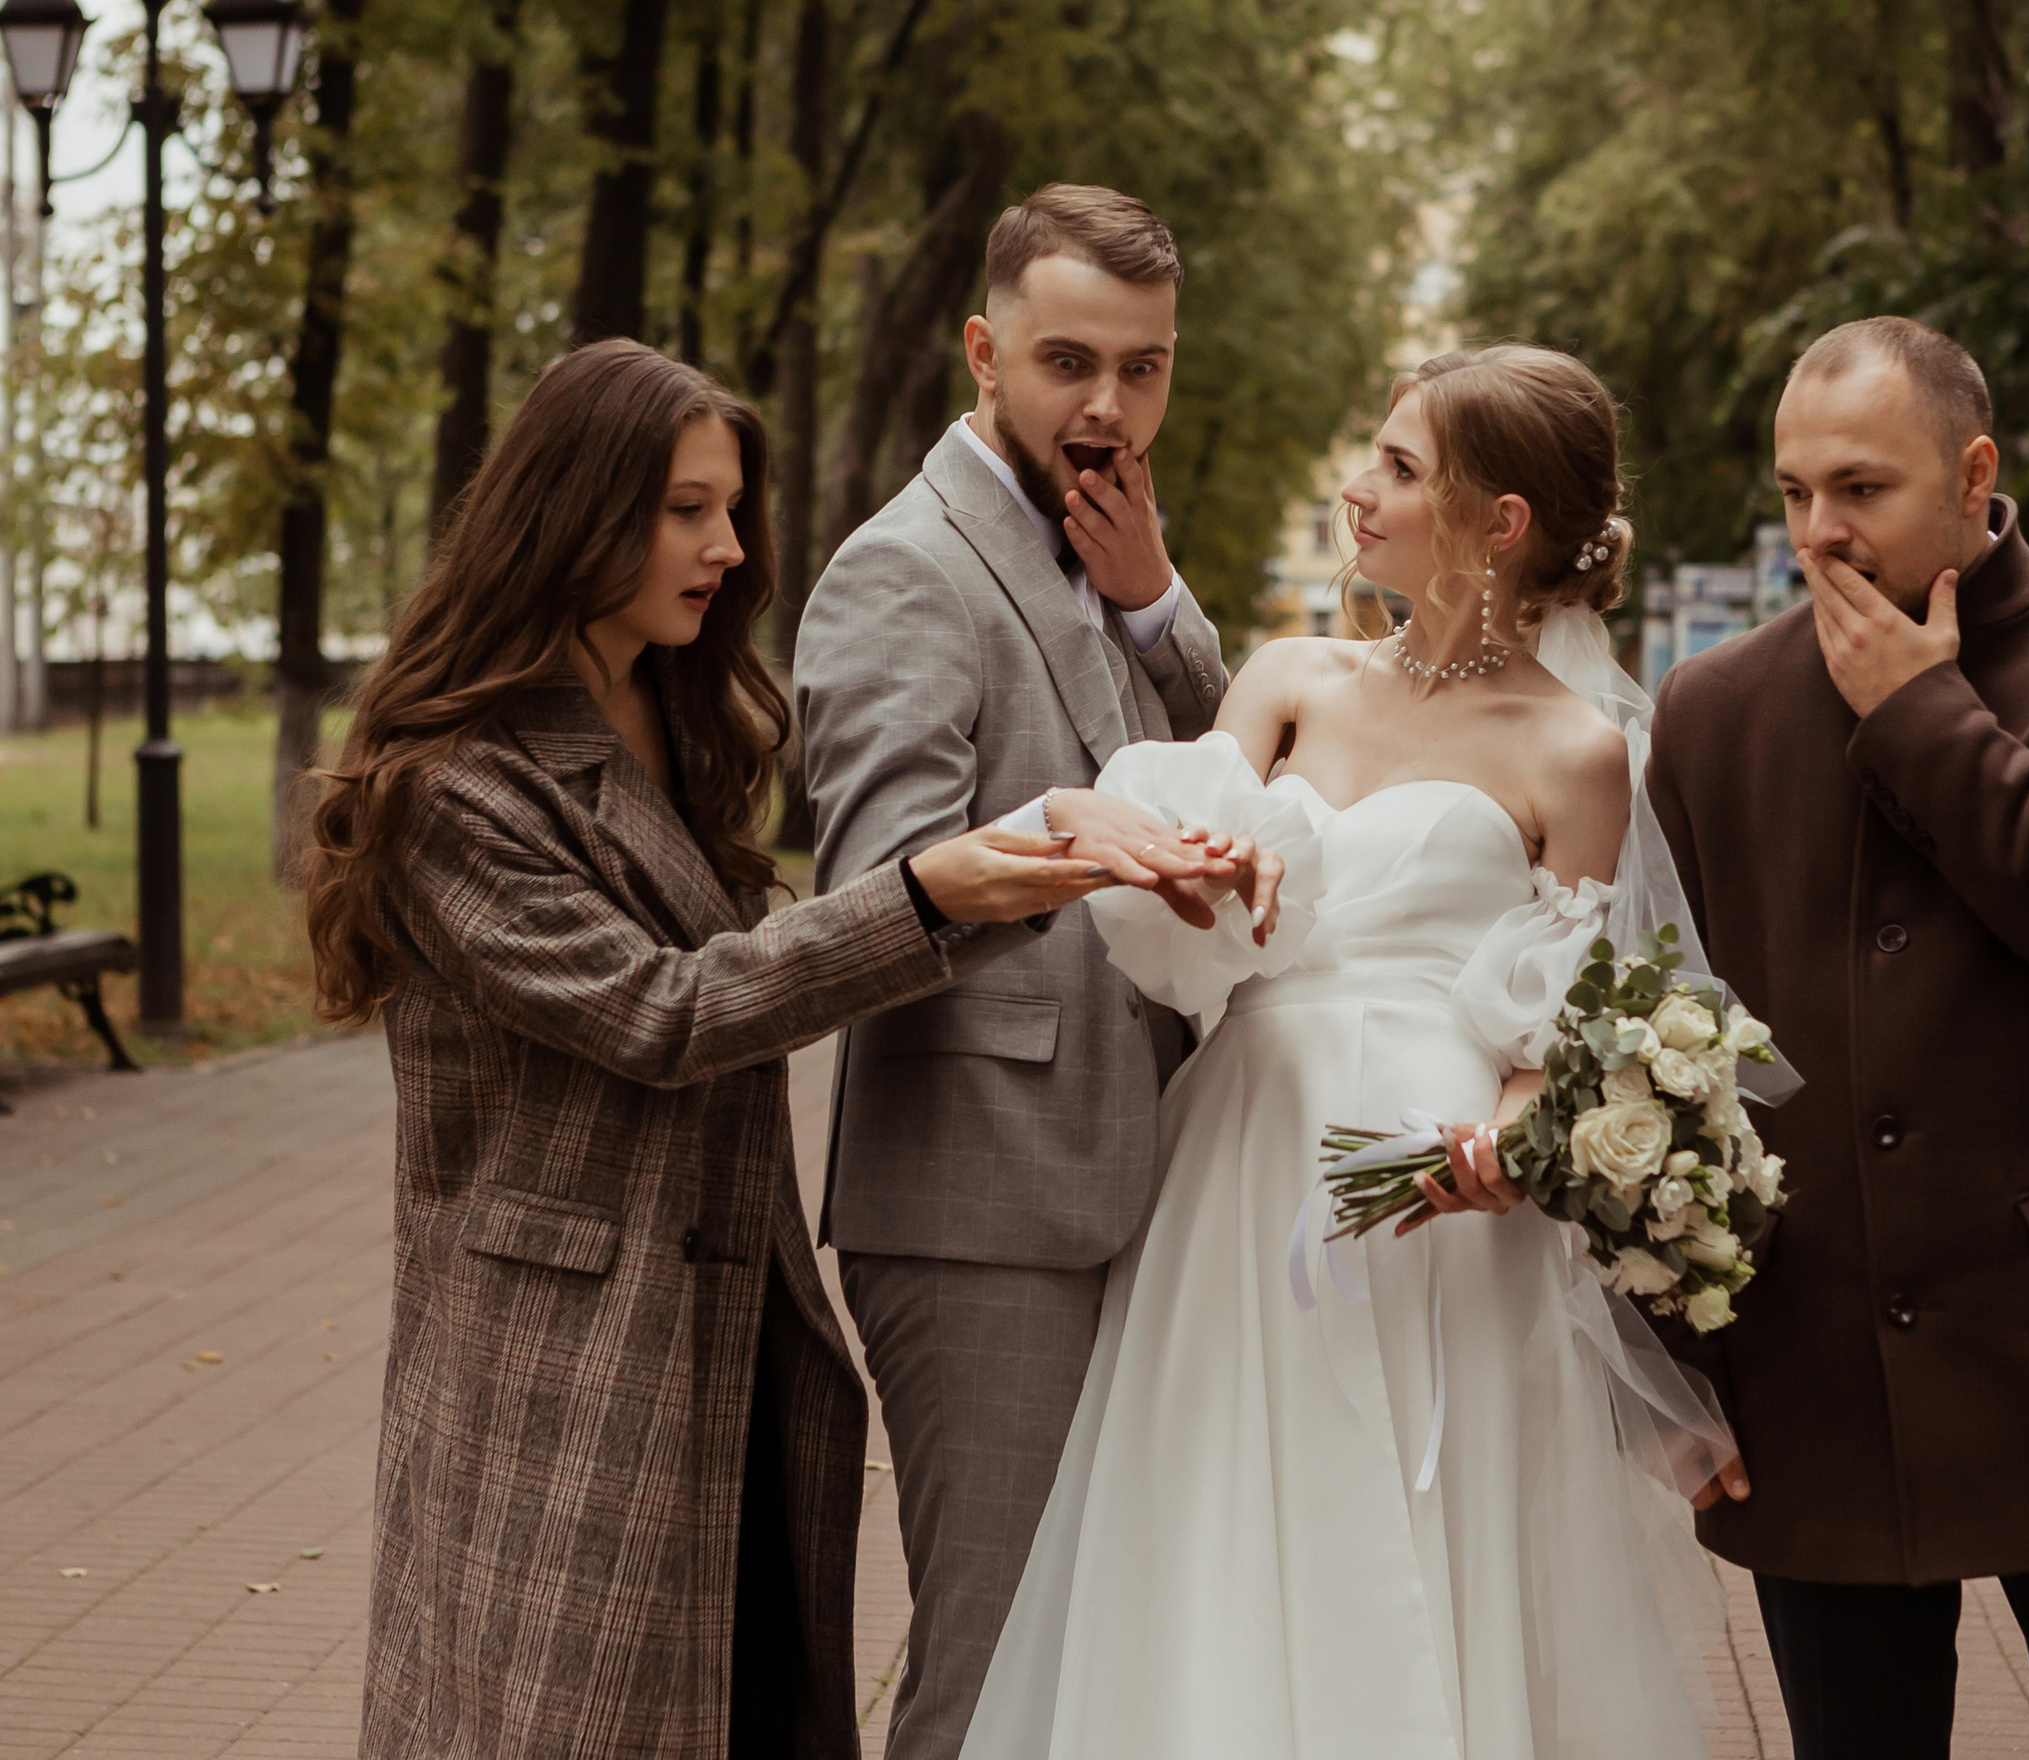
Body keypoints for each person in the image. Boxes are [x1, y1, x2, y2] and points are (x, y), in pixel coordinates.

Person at [305, 338, 1233, 1758]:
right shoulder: (456, 786)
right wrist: (947, 886)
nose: (729, 548)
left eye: (729, 509)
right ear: (573, 510)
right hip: (561, 1351)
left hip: (730, 1311)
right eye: (686, 509)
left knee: (731, 1708)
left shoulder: (681, 718)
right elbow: (661, 1013)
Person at [958, 343, 1739, 1759]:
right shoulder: (1290, 678)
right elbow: (1170, 892)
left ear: (1497, 522)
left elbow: (1551, 1018)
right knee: (1224, 1512)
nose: (1356, 491)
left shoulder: (1577, 752)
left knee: (1430, 1537)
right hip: (1247, 1165)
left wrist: (1506, 1144)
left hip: (1432, 1210)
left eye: (1397, 467)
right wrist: (1153, 857)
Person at [1647, 316, 2029, 1759]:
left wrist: (1921, 711)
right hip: (1815, 1365)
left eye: (1862, 489)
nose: (1821, 533)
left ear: (1975, 476)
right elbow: (1679, 1047)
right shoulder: (1714, 709)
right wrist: (1677, 1368)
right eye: (1796, 494)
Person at [792, 184, 1252, 1760]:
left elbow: (1220, 767)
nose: (1109, 408)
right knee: (995, 1665)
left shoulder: (1107, 548)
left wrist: (1157, 604)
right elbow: (873, 900)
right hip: (985, 1207)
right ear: (986, 353)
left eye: (1145, 368)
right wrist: (1080, 842)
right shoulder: (903, 572)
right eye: (1070, 363)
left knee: (1111, 1648)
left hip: (1152, 1186)